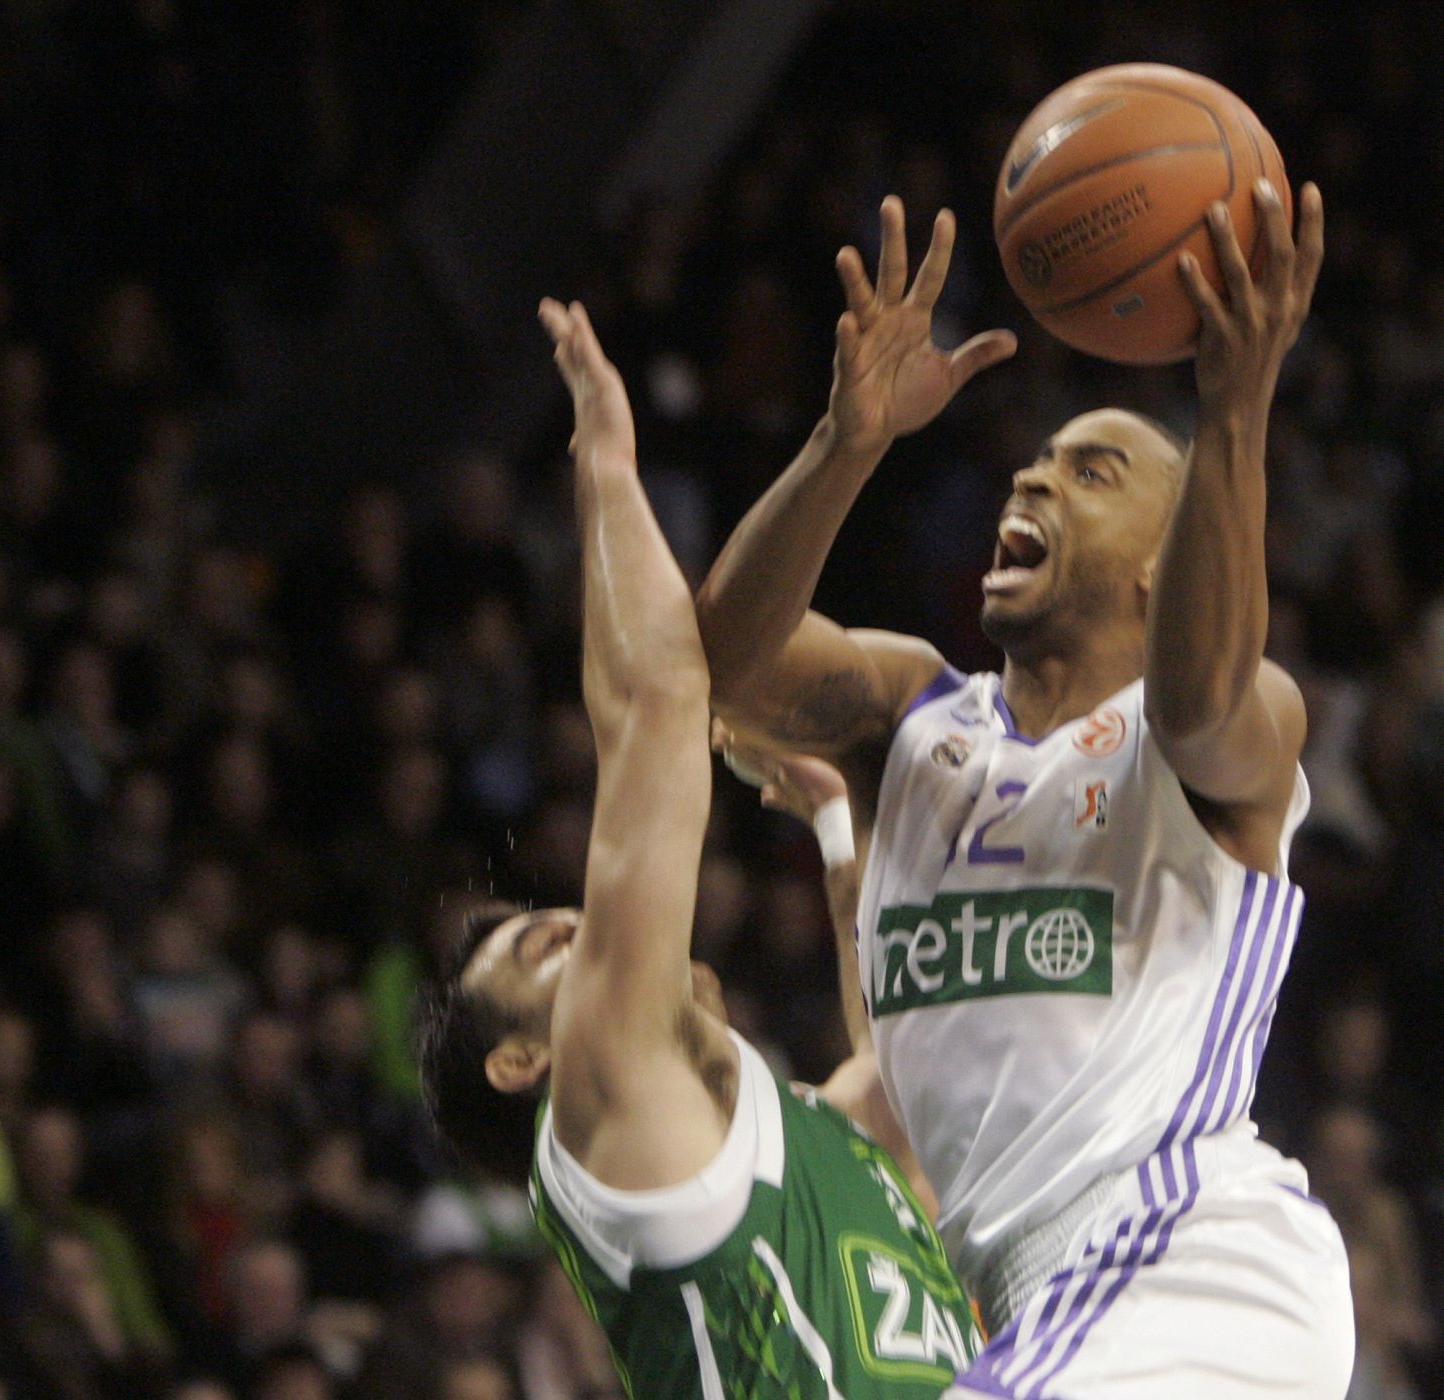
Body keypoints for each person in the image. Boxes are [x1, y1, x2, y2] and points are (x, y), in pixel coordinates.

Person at [694, 179, 1355, 1397]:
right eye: (1033, 465)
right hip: (1040, 1303)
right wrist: (847, 443)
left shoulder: (1214, 721)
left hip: (1181, 1252)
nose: (1031, 484)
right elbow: (720, 661)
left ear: (1169, 560)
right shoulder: (908, 718)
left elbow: (1204, 694)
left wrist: (1234, 410)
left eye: (1090, 473)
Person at [417, 299, 981, 1398]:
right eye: (548, 949)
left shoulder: (776, 1126)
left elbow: (904, 1088)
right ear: (524, 1060)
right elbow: (657, 698)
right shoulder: (606, 1090)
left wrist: (838, 836)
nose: (592, 926)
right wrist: (607, 468)